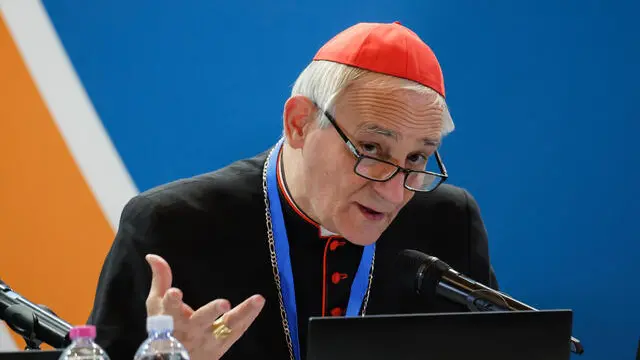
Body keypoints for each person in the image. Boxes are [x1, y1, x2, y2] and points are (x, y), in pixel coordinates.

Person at [87, 21, 499, 360]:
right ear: (299, 123)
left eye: (416, 159)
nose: (393, 193)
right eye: (371, 149)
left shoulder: (448, 220)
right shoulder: (169, 226)